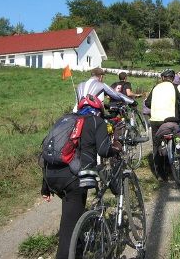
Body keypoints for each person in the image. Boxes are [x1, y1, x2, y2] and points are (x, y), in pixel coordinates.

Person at [41, 80, 121, 259]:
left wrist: (45, 187)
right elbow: (103, 150)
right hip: (72, 179)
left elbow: (51, 150)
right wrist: (116, 147)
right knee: (68, 231)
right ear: (99, 109)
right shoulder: (95, 121)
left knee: (71, 217)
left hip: (51, 176)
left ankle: (76, 251)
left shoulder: (65, 119)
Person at [144, 69, 180, 152]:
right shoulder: (175, 87)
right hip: (170, 119)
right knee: (175, 137)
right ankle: (177, 155)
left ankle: (157, 162)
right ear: (172, 78)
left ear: (162, 78)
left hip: (155, 121)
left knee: (156, 144)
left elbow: (147, 103)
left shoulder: (155, 87)